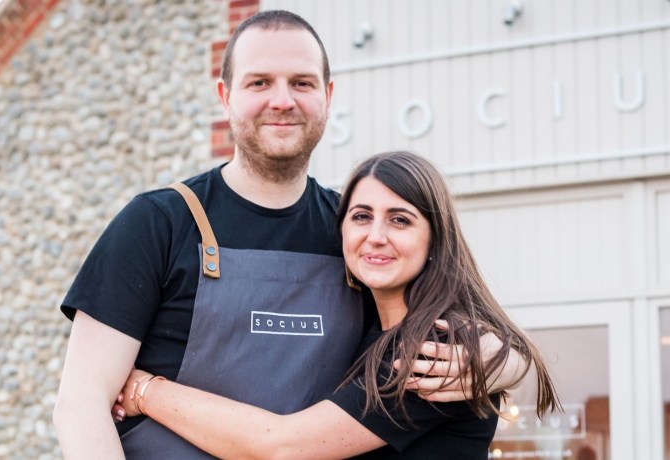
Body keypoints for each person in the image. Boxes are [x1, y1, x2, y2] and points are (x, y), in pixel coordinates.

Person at [53, 10, 526, 459]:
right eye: (259, 83)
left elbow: (440, 324)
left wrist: (503, 360)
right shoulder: (157, 223)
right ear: (225, 97)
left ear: (328, 95)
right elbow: (81, 406)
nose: (282, 100)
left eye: (301, 83)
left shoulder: (352, 235)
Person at [112, 151, 559, 459]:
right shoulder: (369, 327)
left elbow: (280, 446)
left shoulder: (431, 347)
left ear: (434, 238)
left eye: (400, 220)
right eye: (361, 216)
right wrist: (512, 358)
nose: (376, 235)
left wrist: (145, 390)